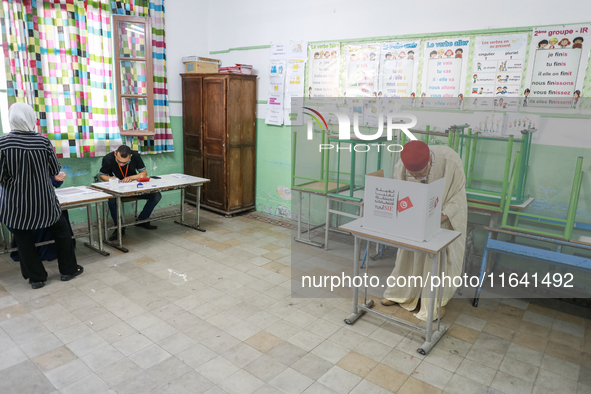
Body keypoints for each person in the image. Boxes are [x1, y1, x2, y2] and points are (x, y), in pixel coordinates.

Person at [381, 140, 467, 321]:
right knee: (408, 252)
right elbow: (400, 192)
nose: (416, 176)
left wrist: (442, 216)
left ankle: (437, 302)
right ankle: (400, 292)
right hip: (416, 215)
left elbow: (458, 193)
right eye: (413, 174)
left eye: (420, 173)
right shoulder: (401, 166)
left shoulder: (450, 160)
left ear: (430, 161)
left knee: (442, 257)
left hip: (444, 214)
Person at [0, 103, 82, 289]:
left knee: (23, 240)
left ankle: (36, 278)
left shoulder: (2, 144)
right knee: (62, 232)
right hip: (44, 202)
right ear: (31, 118)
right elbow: (55, 170)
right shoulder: (43, 141)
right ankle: (68, 270)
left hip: (16, 204)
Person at [99, 145, 161, 240]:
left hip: (133, 188)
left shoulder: (135, 156)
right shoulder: (108, 158)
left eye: (125, 162)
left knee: (156, 196)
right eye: (119, 161)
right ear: (115, 154)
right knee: (112, 201)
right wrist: (110, 178)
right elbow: (102, 176)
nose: (121, 165)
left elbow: (144, 173)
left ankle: (142, 220)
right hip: (116, 188)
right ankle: (119, 227)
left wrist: (131, 177)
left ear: (130, 156)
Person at [10, 172, 75, 262]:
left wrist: (56, 178)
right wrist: (54, 179)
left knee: (60, 212)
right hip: (27, 203)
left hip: (41, 200)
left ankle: (54, 251)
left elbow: (52, 178)